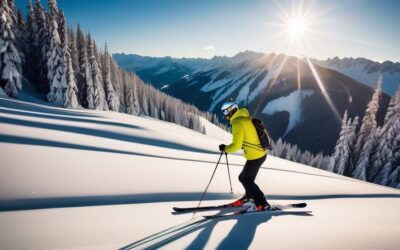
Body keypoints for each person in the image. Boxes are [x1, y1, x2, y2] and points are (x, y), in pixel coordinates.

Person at [219, 101, 271, 211]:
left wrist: (225, 148)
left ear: (231, 110)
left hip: (255, 157)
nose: (225, 114)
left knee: (246, 179)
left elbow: (236, 145)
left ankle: (262, 203)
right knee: (244, 178)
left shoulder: (237, 122)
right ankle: (249, 197)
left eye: (225, 111)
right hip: (258, 155)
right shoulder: (244, 117)